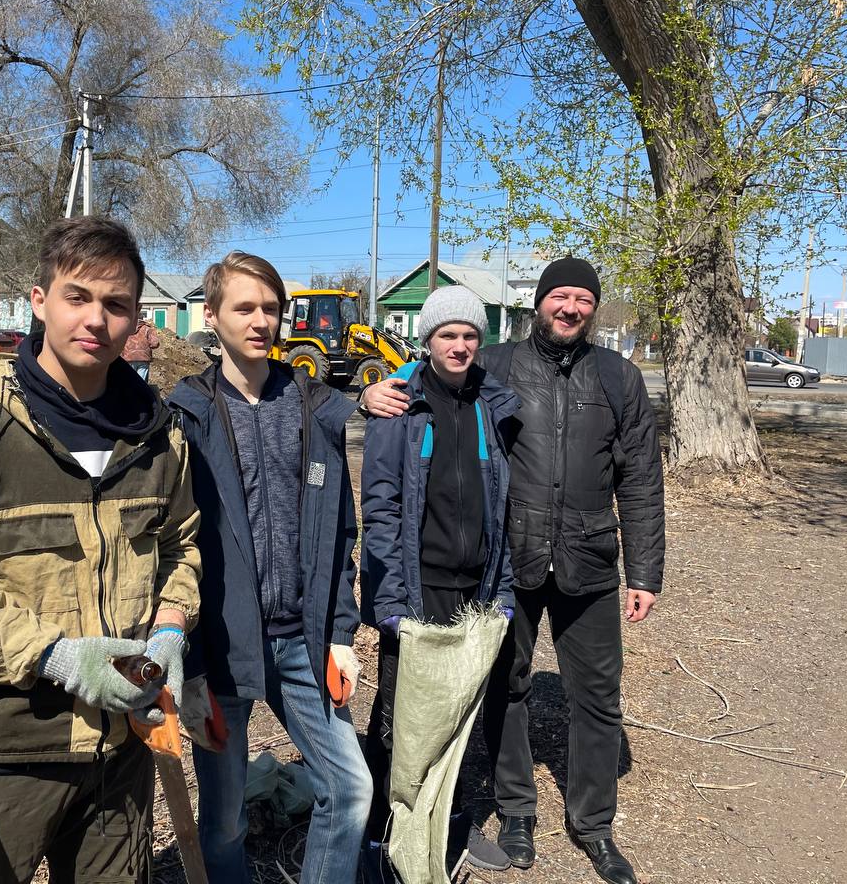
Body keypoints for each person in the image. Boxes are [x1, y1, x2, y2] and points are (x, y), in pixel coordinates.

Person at [0, 215, 202, 884]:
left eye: (115, 304)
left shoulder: (156, 433)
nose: (95, 319)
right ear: (39, 301)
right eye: (77, 297)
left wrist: (172, 627)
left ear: (135, 317)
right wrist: (56, 657)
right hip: (2, 749)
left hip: (123, 746)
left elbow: (181, 543)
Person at [362, 257, 665, 884]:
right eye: (560, 296)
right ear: (540, 303)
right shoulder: (497, 365)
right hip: (512, 561)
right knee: (508, 687)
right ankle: (516, 812)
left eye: (583, 299)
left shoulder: (619, 377)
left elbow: (640, 478)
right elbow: (427, 375)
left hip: (589, 559)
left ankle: (594, 824)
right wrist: (370, 393)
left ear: (593, 308)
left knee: (598, 696)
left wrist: (645, 571)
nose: (571, 308)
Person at [166, 251, 371, 884]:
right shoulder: (187, 416)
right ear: (211, 315)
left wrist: (340, 633)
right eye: (245, 308)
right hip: (222, 646)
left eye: (271, 309)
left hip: (303, 641)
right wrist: (190, 667)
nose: (261, 321)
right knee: (224, 818)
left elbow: (341, 529)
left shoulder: (312, 406)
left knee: (351, 789)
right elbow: (171, 546)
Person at [359, 286, 520, 881]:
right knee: (398, 715)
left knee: (456, 712)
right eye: (448, 334)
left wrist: (502, 589)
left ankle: (446, 820)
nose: (459, 345)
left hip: (473, 587)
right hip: (415, 587)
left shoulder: (492, 406)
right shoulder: (398, 406)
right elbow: (380, 507)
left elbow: (503, 506)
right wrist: (391, 597)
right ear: (428, 340)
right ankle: (379, 832)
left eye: (470, 335)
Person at [124, 316, 161, 382]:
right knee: (141, 382)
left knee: (129, 381)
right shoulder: (147, 329)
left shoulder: (126, 328)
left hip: (128, 357)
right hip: (143, 358)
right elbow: (155, 343)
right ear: (142, 319)